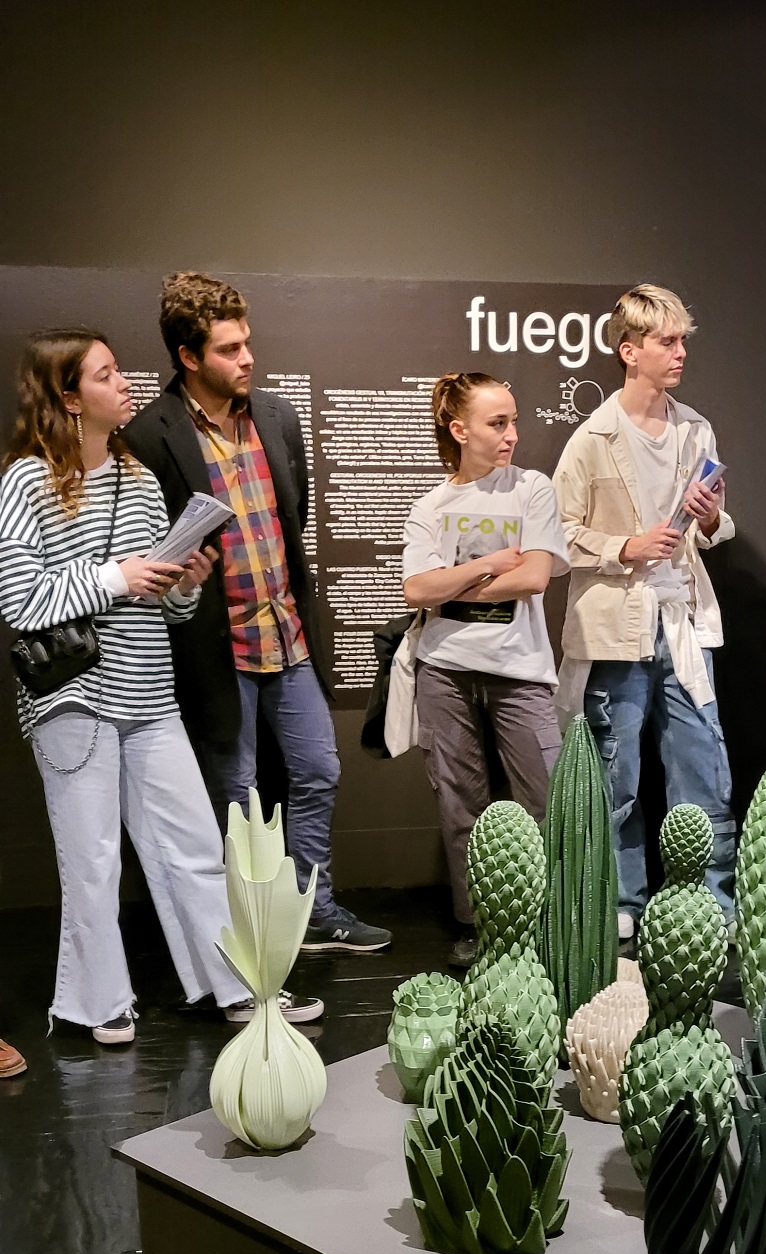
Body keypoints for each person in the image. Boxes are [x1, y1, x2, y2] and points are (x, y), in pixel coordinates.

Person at [0, 328, 322, 1043]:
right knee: (92, 861)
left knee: (198, 849)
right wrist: (118, 576)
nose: (125, 384)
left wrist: (182, 585)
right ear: (68, 397)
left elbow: (163, 607)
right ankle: (98, 1004)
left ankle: (235, 988)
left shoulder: (139, 479)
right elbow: (19, 599)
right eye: (105, 374)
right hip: (71, 699)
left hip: (149, 695)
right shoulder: (25, 481)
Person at [124, 271, 390, 955]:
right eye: (229, 349)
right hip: (217, 648)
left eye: (247, 343)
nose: (247, 358)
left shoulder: (276, 416)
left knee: (319, 769)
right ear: (188, 356)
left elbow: (291, 520)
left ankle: (314, 911)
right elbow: (153, 556)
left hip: (288, 634)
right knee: (236, 795)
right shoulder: (150, 436)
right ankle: (248, 927)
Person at [552, 283, 737, 941]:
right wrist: (624, 546)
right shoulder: (592, 438)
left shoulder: (696, 428)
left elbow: (715, 526)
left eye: (683, 340)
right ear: (629, 351)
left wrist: (711, 519)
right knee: (615, 774)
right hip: (615, 625)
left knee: (702, 766)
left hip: (683, 619)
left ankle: (709, 902)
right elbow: (558, 535)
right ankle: (620, 902)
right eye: (667, 341)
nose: (680, 352)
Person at [402, 372, 568, 965]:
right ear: (459, 429)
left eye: (513, 421)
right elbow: (416, 590)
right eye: (498, 423)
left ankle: (557, 921)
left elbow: (535, 577)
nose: (511, 435)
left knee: (548, 799)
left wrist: (455, 583)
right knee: (460, 806)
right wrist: (490, 564)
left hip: (521, 669)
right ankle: (478, 925)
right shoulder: (431, 505)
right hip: (444, 670)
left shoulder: (532, 489)